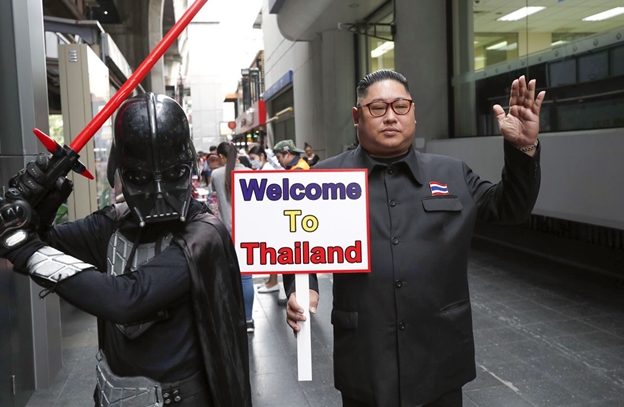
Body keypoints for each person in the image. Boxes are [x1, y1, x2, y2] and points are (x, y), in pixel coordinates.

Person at [285, 70, 544, 407]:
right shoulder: (324, 178)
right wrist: (301, 290)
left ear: (414, 112)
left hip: (440, 355)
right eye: (377, 108)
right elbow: (293, 243)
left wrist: (523, 148)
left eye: (401, 106)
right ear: (356, 116)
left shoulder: (452, 173)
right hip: (365, 358)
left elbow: (510, 208)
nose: (391, 116)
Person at [0, 93, 252, 407]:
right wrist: (38, 207)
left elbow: (127, 299)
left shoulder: (204, 235)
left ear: (189, 167)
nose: (159, 192)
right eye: (141, 177)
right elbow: (45, 244)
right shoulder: (113, 224)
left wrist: (23, 248)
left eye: (174, 174)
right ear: (122, 173)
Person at [210, 141, 256, 333]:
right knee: (246, 277)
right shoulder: (250, 173)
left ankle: (231, 316)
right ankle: (248, 320)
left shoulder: (216, 174)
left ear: (221, 156)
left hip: (225, 232)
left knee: (227, 276)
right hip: (246, 230)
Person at [247, 145, 281, 294]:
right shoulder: (263, 169)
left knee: (273, 250)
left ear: (262, 156)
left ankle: (274, 282)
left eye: (253, 159)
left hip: (272, 217)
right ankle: (270, 280)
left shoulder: (268, 171)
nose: (252, 162)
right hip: (269, 216)